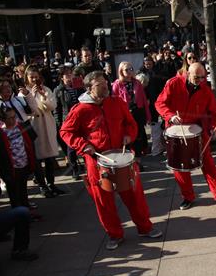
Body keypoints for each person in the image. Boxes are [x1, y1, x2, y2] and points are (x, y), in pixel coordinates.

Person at [60, 72, 162, 250]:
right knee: (104, 201)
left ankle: (145, 228)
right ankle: (115, 234)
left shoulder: (117, 102)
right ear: (89, 88)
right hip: (97, 162)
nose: (106, 86)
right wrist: (83, 145)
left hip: (122, 157)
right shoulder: (80, 109)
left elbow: (131, 124)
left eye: (106, 83)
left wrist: (128, 136)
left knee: (134, 196)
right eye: (100, 85)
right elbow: (66, 132)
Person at [155, 63, 216, 210]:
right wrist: (170, 116)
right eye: (196, 77)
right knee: (179, 167)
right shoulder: (174, 83)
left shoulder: (205, 89)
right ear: (188, 74)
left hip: (198, 130)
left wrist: (214, 127)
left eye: (203, 77)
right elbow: (159, 103)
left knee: (208, 164)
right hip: (176, 129)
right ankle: (188, 197)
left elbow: (215, 113)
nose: (200, 80)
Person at [24, 65, 64, 198]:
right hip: (35, 126)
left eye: (36, 76)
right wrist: (32, 95)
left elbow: (53, 106)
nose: (34, 79)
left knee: (49, 157)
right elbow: (30, 109)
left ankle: (51, 184)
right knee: (37, 158)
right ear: (27, 78)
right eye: (31, 77)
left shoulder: (46, 89)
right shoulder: (24, 92)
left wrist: (42, 96)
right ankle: (42, 186)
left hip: (47, 125)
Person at [0, 106, 36, 212]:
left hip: (24, 164)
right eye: (9, 118)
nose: (12, 120)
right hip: (11, 169)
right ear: (2, 119)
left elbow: (31, 142)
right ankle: (19, 215)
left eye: (13, 117)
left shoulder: (21, 127)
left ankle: (27, 211)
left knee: (23, 191)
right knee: (14, 194)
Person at [112, 61, 151, 158]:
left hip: (138, 111)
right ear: (121, 71)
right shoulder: (117, 84)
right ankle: (130, 158)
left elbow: (144, 99)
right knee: (128, 136)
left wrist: (148, 115)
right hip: (125, 113)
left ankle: (137, 159)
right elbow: (114, 102)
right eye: (126, 69)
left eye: (131, 69)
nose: (130, 71)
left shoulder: (137, 82)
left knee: (139, 135)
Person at [53, 66, 83, 179]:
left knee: (84, 143)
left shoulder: (78, 86)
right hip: (68, 121)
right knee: (70, 148)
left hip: (80, 119)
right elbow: (57, 110)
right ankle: (74, 169)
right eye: (67, 74)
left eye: (71, 74)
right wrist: (60, 124)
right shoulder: (59, 90)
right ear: (62, 77)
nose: (70, 77)